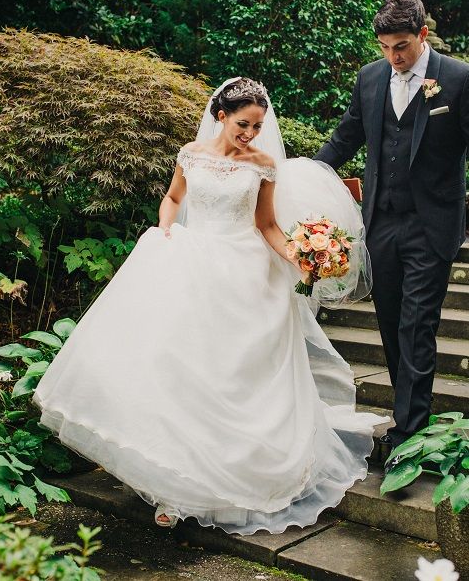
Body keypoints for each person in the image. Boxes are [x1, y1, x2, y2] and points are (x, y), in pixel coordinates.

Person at [34, 77, 386, 534]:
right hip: (193, 266)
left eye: (258, 126)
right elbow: (174, 198)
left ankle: (235, 474)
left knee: (236, 375)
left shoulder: (262, 165)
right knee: (180, 373)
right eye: (243, 124)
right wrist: (164, 230)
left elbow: (267, 226)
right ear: (220, 115)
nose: (251, 134)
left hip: (246, 274)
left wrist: (300, 257)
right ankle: (171, 488)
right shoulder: (190, 154)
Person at [314, 0, 469, 462]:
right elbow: (345, 138)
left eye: (401, 46)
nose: (393, 56)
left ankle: (408, 432)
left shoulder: (459, 79)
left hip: (432, 225)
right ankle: (409, 415)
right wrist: (301, 177)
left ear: (422, 35)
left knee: (416, 325)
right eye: (385, 47)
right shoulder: (371, 78)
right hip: (380, 223)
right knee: (388, 323)